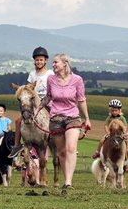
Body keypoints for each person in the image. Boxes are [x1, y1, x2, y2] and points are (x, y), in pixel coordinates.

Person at [39, 53, 91, 190]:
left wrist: (87, 118)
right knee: (61, 151)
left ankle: (68, 181)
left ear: (64, 63)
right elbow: (48, 96)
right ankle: (66, 179)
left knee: (71, 148)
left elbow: (81, 99)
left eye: (56, 62)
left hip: (72, 117)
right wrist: (38, 108)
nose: (53, 64)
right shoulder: (51, 79)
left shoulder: (77, 80)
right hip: (56, 118)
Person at [9, 46, 54, 159]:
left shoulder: (50, 74)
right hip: (34, 103)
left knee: (56, 119)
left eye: (41, 60)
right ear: (34, 61)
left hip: (48, 102)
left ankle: (55, 140)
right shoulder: (32, 74)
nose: (38, 62)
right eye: (37, 60)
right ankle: (17, 145)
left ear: (45, 60)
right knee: (19, 120)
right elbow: (27, 89)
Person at [92, 99, 128, 187]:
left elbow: (125, 126)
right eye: (113, 110)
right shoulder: (109, 118)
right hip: (111, 134)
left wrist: (124, 133)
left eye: (116, 110)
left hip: (120, 134)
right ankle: (97, 152)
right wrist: (108, 133)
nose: (114, 112)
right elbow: (106, 125)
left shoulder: (122, 118)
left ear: (119, 110)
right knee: (102, 140)